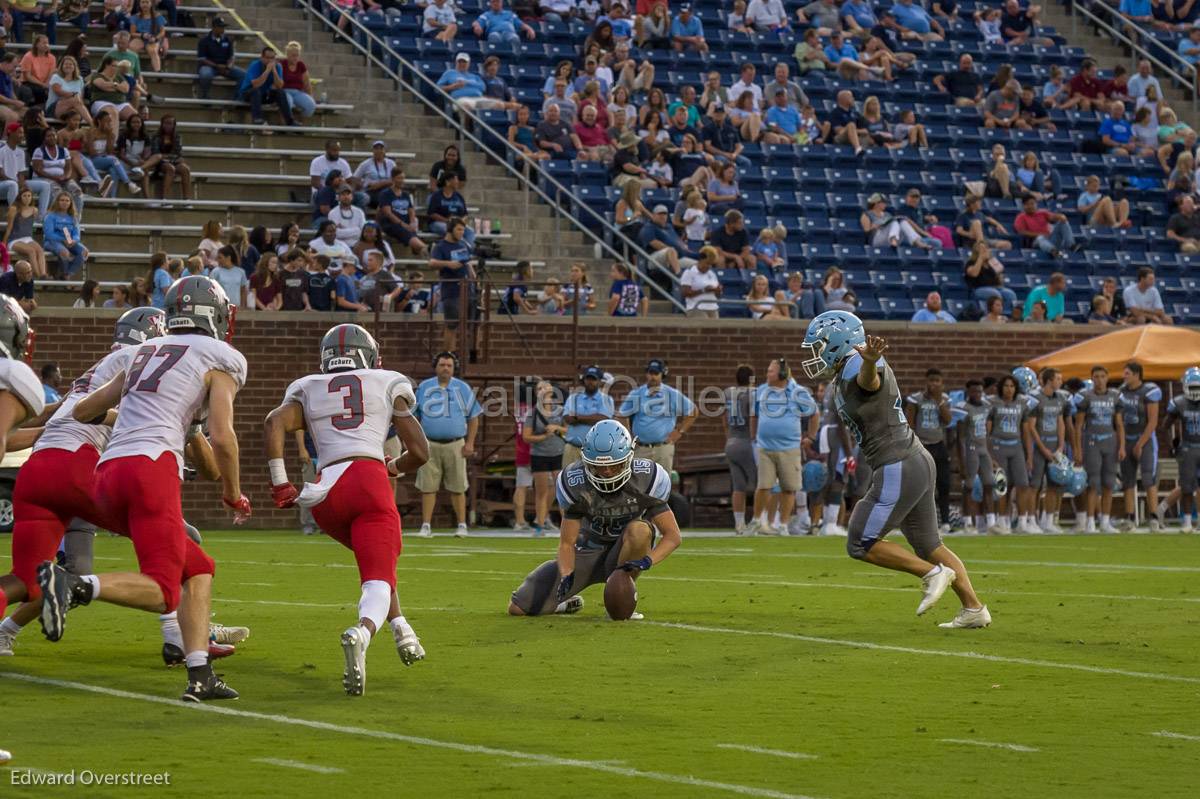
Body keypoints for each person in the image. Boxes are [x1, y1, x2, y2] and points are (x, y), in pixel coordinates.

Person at [46, 277, 250, 702]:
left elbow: (84, 410)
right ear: (215, 314)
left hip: (109, 473)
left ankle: (200, 674)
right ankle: (76, 585)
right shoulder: (221, 356)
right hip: (151, 468)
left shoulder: (141, 351)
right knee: (161, 590)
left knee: (198, 568)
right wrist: (233, 490)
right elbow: (223, 435)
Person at [264, 324, 428, 695]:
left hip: (324, 493)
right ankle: (363, 632)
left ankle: (402, 630)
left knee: (378, 563)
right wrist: (393, 467)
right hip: (366, 479)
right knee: (377, 577)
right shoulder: (386, 381)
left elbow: (274, 421)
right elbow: (420, 452)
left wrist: (280, 482)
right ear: (369, 356)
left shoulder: (307, 387)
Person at [800, 311, 990, 628]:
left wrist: (871, 361)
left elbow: (868, 382)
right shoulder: (850, 365)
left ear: (838, 340)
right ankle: (973, 608)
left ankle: (932, 574)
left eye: (820, 345)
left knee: (860, 541)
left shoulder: (856, 363)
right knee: (930, 545)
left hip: (898, 462)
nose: (817, 353)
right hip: (913, 458)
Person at [507, 419, 680, 619]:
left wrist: (646, 561)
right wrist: (566, 573)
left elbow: (673, 536)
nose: (606, 472)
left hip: (622, 554)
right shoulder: (574, 480)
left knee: (640, 530)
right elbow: (566, 543)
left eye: (614, 466)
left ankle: (619, 594)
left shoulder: (647, 477)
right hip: (587, 551)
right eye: (598, 466)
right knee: (518, 608)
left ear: (628, 457)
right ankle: (564, 604)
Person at [413, 352, 481, 539]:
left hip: (455, 444)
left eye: (449, 366)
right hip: (429, 443)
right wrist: (415, 441)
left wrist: (470, 443)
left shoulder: (463, 388)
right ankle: (426, 525)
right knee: (428, 487)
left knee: (458, 486)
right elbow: (415, 416)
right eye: (442, 365)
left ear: (454, 368)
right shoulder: (425, 387)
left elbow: (474, 417)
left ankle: (461, 524)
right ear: (436, 367)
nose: (445, 368)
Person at [747, 358, 816, 535]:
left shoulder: (798, 392)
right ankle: (756, 521)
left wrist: (811, 436)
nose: (767, 374)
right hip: (765, 448)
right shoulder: (761, 391)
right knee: (763, 485)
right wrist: (754, 436)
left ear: (782, 374)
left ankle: (783, 525)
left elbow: (814, 413)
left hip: (790, 448)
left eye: (771, 371)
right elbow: (754, 414)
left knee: (789, 487)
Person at [618, 359, 696, 472]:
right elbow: (621, 415)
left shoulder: (672, 394)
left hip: (663, 448)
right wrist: (628, 436)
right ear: (646, 374)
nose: (652, 377)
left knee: (662, 485)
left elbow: (693, 411)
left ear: (662, 374)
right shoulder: (636, 394)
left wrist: (679, 431)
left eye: (656, 373)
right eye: (650, 373)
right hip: (641, 449)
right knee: (639, 484)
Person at [1073, 366, 1125, 534]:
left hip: (1110, 441)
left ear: (1108, 378)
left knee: (1109, 482)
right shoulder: (1086, 397)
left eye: (1103, 376)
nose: (1100, 380)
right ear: (1092, 378)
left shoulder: (1115, 396)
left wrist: (1122, 446)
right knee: (1093, 482)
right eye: (1096, 376)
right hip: (1092, 441)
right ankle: (1090, 521)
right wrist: (1078, 449)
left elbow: (1118, 424)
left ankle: (1105, 521)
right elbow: (1079, 426)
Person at [904, 369, 952, 533]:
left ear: (942, 383)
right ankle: (913, 521)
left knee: (944, 484)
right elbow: (909, 423)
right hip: (922, 445)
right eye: (931, 380)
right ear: (926, 381)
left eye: (937, 381)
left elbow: (947, 420)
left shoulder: (944, 399)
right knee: (919, 484)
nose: (934, 384)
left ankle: (945, 521)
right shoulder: (916, 399)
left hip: (938, 444)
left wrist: (939, 401)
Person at [1117, 361, 1161, 531]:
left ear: (1136, 375)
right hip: (1127, 438)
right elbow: (1119, 420)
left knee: (1148, 478)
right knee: (1127, 480)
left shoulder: (1148, 391)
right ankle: (1129, 517)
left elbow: (1153, 422)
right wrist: (1122, 444)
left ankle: (1154, 517)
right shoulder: (1121, 392)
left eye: (1127, 373)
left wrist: (1140, 444)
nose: (1124, 376)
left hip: (1146, 439)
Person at [1023, 367, 1068, 533]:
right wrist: (1042, 448)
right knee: (1034, 485)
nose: (1060, 382)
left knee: (1054, 485)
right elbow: (1031, 427)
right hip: (1039, 448)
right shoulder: (1035, 399)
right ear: (1049, 380)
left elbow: (1060, 423)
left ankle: (1049, 521)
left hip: (1054, 447)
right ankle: (1031, 519)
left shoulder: (1059, 398)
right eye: (1058, 379)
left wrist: (1061, 446)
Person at [522, 379, 567, 535]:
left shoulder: (560, 410)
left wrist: (556, 428)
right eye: (539, 388)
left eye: (545, 387)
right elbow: (526, 436)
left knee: (561, 490)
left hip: (558, 453)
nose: (542, 390)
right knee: (541, 491)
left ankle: (566, 526)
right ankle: (540, 525)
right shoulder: (532, 413)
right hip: (539, 455)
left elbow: (569, 430)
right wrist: (542, 437)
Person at [955, 379, 999, 534]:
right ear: (968, 392)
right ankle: (967, 522)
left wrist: (991, 455)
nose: (977, 394)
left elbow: (987, 433)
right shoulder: (963, 408)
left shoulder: (987, 406)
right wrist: (961, 462)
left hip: (983, 449)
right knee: (968, 486)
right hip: (970, 448)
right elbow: (959, 437)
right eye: (974, 391)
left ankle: (991, 522)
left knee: (989, 483)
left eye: (980, 391)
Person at [1159, 367, 1200, 532]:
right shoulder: (1179, 403)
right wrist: (1172, 446)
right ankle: (1187, 521)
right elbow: (1165, 426)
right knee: (1188, 486)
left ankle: (1160, 509)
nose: (1195, 392)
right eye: (1193, 387)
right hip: (1188, 448)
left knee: (1192, 486)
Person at [724, 364, 757, 533]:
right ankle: (759, 522)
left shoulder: (728, 393)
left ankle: (739, 524)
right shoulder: (754, 394)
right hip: (747, 442)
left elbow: (724, 419)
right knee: (762, 484)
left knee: (738, 486)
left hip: (731, 442)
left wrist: (728, 437)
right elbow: (754, 418)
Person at [563, 365, 614, 469]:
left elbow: (603, 419)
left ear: (599, 381)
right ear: (584, 380)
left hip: (596, 451)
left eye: (594, 379)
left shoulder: (606, 399)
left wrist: (578, 417)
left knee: (594, 482)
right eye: (588, 378)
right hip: (572, 448)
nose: (590, 382)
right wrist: (591, 418)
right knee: (568, 480)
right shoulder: (573, 397)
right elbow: (568, 418)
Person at [239, 48, 294, 127]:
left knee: (280, 92)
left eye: (272, 58)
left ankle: (290, 121)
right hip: (248, 93)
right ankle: (257, 119)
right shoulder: (255, 65)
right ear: (262, 57)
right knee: (256, 91)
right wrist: (267, 71)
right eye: (267, 58)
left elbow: (280, 86)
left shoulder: (278, 66)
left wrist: (274, 71)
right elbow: (256, 85)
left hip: (264, 95)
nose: (270, 60)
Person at [195, 17, 245, 100]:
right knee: (205, 74)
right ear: (214, 27)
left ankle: (237, 98)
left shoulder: (227, 40)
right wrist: (217, 66)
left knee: (243, 75)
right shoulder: (204, 41)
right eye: (221, 27)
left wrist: (228, 66)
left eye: (223, 27)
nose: (223, 29)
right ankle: (205, 95)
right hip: (210, 66)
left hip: (225, 66)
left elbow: (231, 56)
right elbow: (202, 59)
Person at [964, 241, 1018, 314]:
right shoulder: (971, 263)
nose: (985, 251)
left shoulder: (990, 262)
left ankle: (1008, 314)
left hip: (997, 287)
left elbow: (1000, 269)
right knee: (995, 295)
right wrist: (980, 258)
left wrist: (990, 258)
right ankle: (996, 315)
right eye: (982, 249)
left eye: (986, 248)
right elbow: (974, 274)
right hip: (979, 288)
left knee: (1010, 294)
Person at [680, 247, 722, 318]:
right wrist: (704, 290)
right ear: (701, 260)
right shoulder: (689, 272)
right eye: (707, 263)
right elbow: (685, 293)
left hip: (713, 308)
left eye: (711, 264)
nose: (709, 266)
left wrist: (718, 290)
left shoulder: (712, 274)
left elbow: (718, 295)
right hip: (696, 308)